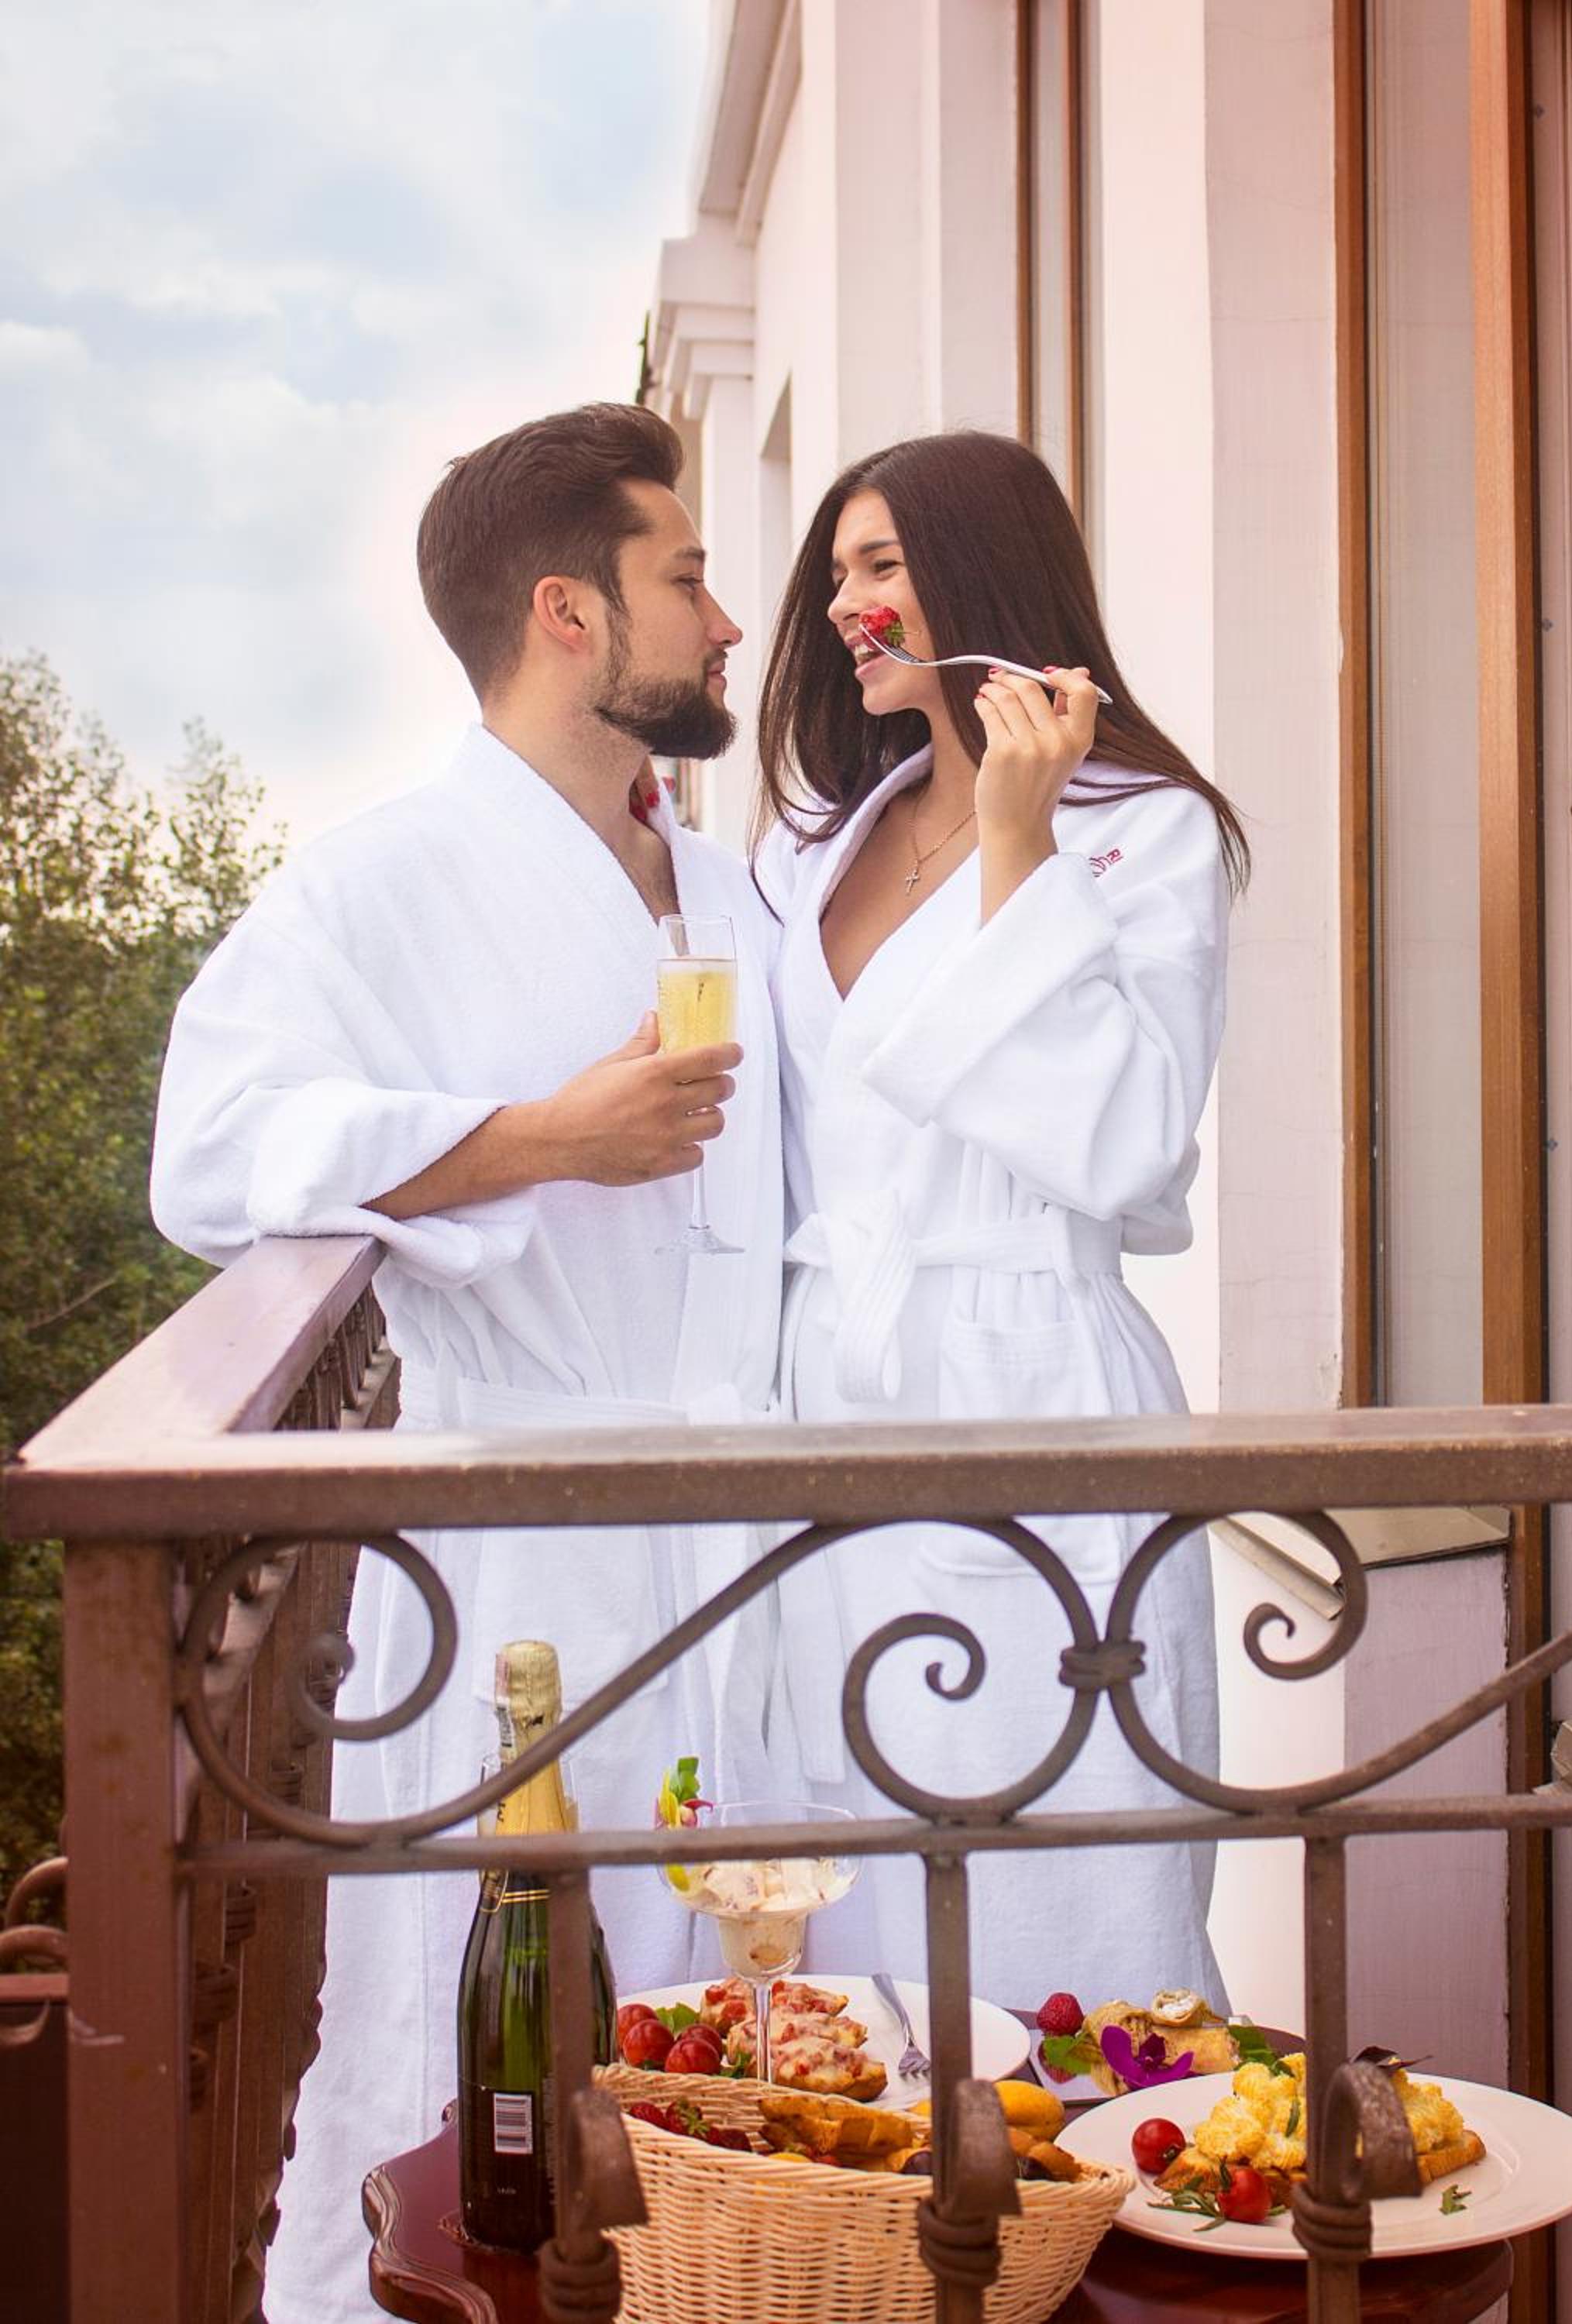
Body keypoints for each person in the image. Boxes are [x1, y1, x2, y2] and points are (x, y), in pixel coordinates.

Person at [150, 403, 785, 2324]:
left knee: (737, 2046)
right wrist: (535, 1140)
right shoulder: (385, 882)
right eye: (689, 577)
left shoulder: (722, 882)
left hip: (754, 1534)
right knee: (498, 2035)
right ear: (568, 612)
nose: (729, 622)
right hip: (529, 1556)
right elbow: (212, 1150)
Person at [755, 429, 1247, 2012]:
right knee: (848, 1853)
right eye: (837, 573)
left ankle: (1079, 2155)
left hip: (1034, 1381)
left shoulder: (1145, 828)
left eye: (883, 565)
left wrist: (1024, 850)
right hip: (829, 1394)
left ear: (983, 570)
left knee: (1060, 1872)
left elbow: (1127, 1137)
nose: (848, 605)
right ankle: (872, 2165)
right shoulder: (823, 843)